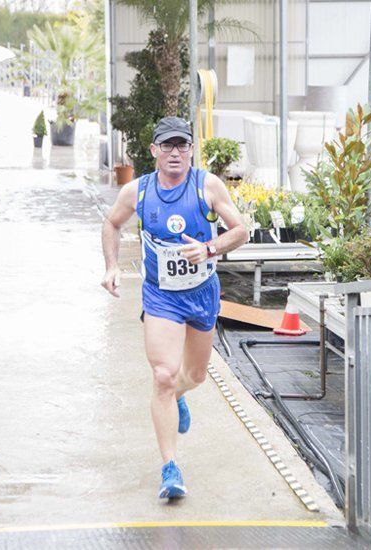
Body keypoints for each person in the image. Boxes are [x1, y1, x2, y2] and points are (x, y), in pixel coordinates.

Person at [100, 117, 249, 499]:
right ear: (153, 151)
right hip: (161, 296)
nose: (175, 153)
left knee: (195, 375)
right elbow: (112, 223)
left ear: (191, 150)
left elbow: (241, 230)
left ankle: (182, 395)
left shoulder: (207, 185)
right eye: (167, 146)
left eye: (182, 145)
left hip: (202, 293)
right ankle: (170, 468)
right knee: (164, 376)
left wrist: (210, 248)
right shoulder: (138, 191)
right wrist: (112, 266)